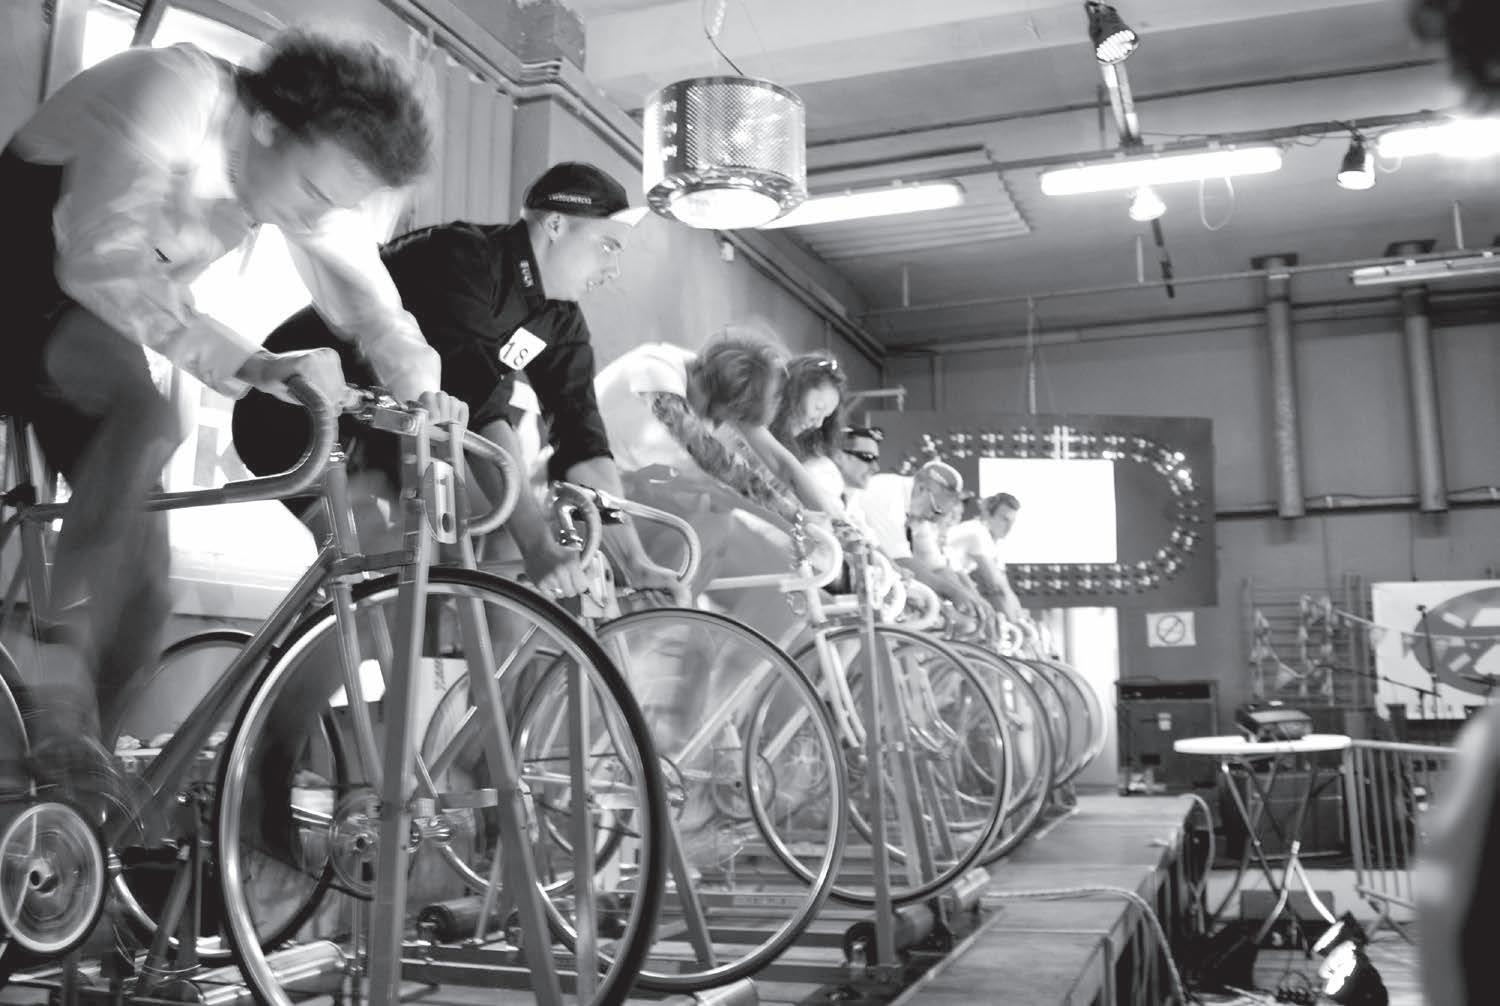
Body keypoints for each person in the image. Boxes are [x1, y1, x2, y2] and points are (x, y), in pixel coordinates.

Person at [0, 29, 455, 810]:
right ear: (270, 124)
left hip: (82, 319)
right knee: (149, 417)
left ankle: (74, 814)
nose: (316, 216)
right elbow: (98, 262)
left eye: (335, 205)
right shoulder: (172, 91)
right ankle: (54, 676)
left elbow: (372, 302)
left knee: (142, 591)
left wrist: (425, 393)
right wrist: (257, 364)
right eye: (316, 194)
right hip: (28, 284)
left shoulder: (296, 166)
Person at [232, 161, 682, 602]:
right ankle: (309, 648)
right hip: (294, 411)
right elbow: (477, 404)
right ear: (556, 225)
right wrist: (538, 546)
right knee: (390, 569)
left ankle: (478, 657)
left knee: (499, 541)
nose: (613, 270)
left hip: (387, 429)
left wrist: (633, 560)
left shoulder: (560, 319)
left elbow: (582, 440)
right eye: (608, 246)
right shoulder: (461, 257)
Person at [861, 461, 998, 628]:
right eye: (937, 510)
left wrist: (972, 598)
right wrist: (953, 593)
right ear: (921, 489)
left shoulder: (918, 506)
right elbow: (901, 561)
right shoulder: (887, 495)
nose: (935, 520)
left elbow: (936, 565)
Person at [945, 492, 1027, 625]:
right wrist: (1019, 624)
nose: (1009, 527)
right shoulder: (977, 532)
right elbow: (997, 587)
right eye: (1004, 519)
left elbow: (1005, 587)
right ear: (988, 514)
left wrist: (1021, 619)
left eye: (1012, 522)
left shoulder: (991, 540)